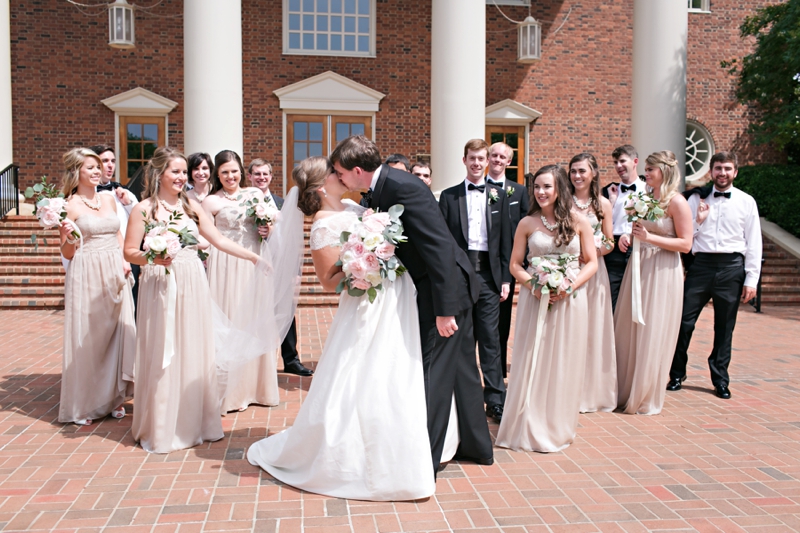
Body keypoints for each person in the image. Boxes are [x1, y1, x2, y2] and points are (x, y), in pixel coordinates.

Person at [247, 157, 434, 500]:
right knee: (364, 370)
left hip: (396, 295)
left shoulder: (355, 204)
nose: (341, 174)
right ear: (322, 186)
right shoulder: (322, 224)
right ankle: (352, 454)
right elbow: (328, 281)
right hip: (365, 301)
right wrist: (363, 264)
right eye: (334, 172)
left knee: (396, 366)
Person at [333, 135, 493, 473]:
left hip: (446, 291)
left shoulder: (403, 187)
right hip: (446, 286)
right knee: (463, 371)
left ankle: (425, 461)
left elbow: (437, 247)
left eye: (340, 173)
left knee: (433, 372)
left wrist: (444, 309)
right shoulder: (384, 186)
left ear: (357, 170)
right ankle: (478, 447)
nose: (340, 179)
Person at [124, 147, 266, 453]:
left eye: (183, 173)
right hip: (159, 284)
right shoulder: (144, 210)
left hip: (192, 281)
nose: (181, 178)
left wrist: (253, 257)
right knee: (164, 347)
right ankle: (162, 426)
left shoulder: (191, 206)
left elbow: (219, 239)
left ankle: (196, 422)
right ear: (159, 173)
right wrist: (152, 255)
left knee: (193, 348)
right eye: (175, 172)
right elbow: (129, 251)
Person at [496, 165, 597, 452]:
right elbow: (515, 265)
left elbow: (591, 262)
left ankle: (556, 425)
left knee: (564, 360)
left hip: (569, 301)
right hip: (535, 298)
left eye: (546, 187)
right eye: (536, 187)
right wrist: (536, 286)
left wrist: (569, 286)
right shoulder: (527, 223)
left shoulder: (580, 222)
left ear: (559, 189)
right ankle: (527, 423)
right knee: (533, 358)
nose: (540, 192)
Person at [668, 151, 762, 399]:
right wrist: (699, 220)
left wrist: (751, 279)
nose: (722, 173)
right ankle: (676, 373)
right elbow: (685, 236)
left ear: (735, 172)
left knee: (724, 328)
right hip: (701, 266)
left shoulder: (746, 201)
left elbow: (754, 243)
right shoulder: (695, 199)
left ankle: (720, 379)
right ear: (711, 171)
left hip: (732, 268)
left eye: (727, 168)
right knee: (683, 322)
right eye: (718, 168)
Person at [57, 148, 135, 426]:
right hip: (87, 269)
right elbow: (68, 252)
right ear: (75, 171)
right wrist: (66, 237)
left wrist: (125, 261)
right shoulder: (68, 205)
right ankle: (85, 404)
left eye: (98, 166)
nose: (96, 171)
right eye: (89, 167)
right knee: (90, 337)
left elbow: (117, 234)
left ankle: (114, 397)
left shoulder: (109, 199)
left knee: (117, 332)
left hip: (114, 268)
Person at [614, 150, 693, 415]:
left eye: (650, 169)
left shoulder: (677, 202)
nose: (646, 174)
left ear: (665, 171)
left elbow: (685, 244)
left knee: (653, 329)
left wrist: (649, 238)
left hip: (663, 270)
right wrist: (629, 236)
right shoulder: (645, 198)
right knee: (630, 327)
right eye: (646, 169)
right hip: (639, 265)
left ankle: (645, 394)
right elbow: (640, 229)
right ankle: (625, 389)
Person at [439, 139, 511, 423]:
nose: (478, 163)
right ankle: (462, 399)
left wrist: (505, 278)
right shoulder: (449, 196)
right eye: (473, 158)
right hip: (460, 274)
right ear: (464, 160)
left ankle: (495, 399)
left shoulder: (498, 194)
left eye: (482, 158)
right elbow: (444, 242)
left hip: (490, 276)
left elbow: (506, 237)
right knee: (462, 337)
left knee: (491, 340)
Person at [202, 151, 279, 413]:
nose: (230, 176)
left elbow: (273, 226)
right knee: (230, 319)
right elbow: (207, 237)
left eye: (234, 171)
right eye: (224, 172)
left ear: (242, 172)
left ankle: (256, 388)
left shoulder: (255, 195)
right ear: (218, 175)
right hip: (224, 264)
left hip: (255, 261)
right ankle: (229, 391)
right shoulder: (211, 201)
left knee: (255, 321)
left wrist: (269, 228)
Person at [247, 158, 313, 377]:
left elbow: (291, 238)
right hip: (248, 263)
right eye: (257, 174)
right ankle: (254, 362)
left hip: (277, 266)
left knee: (284, 310)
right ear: (249, 177)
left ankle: (291, 359)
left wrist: (294, 271)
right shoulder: (242, 200)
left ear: (271, 176)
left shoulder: (282, 203)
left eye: (265, 174)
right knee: (251, 310)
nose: (261, 178)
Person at [568, 153, 617, 413]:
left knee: (592, 329)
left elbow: (609, 241)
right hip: (567, 270)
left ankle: (590, 392)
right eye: (573, 171)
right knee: (570, 327)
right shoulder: (562, 201)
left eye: (582, 171)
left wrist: (594, 251)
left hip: (595, 273)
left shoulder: (604, 205)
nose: (577, 176)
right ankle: (567, 388)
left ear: (594, 173)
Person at [486, 141, 530, 378]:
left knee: (503, 320)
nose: (497, 160)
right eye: (494, 155)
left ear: (509, 162)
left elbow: (524, 226)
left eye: (503, 157)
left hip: (507, 264)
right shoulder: (477, 187)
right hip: (481, 262)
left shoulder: (519, 191)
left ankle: (499, 370)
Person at [90, 144, 142, 310]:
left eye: (113, 161)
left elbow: (143, 220)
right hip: (99, 256)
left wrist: (128, 203)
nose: (110, 165)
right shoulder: (83, 194)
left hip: (127, 254)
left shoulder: (124, 192)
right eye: (105, 161)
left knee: (130, 304)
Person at [604, 145, 646, 311]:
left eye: (622, 161)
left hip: (638, 247)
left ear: (635, 161)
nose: (618, 166)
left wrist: (630, 234)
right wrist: (612, 202)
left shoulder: (648, 190)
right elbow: (604, 223)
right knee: (610, 301)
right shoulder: (609, 191)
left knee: (635, 300)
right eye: (615, 162)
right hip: (613, 251)